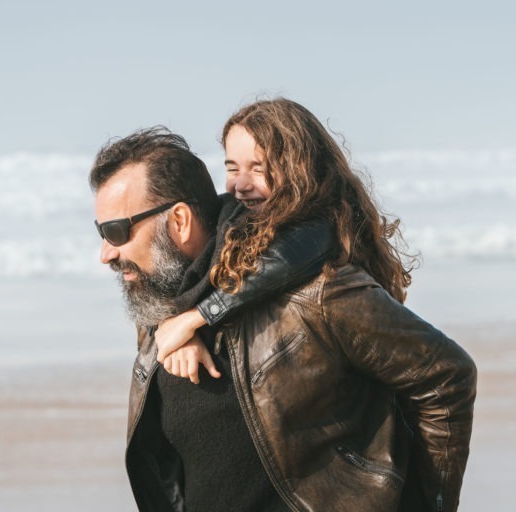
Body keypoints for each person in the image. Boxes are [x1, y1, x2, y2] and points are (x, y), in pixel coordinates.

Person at [89, 98, 476, 511]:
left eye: (116, 232)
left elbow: (445, 376)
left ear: (180, 221)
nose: (105, 254)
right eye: (233, 168)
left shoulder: (315, 288)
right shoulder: (159, 301)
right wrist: (178, 321)